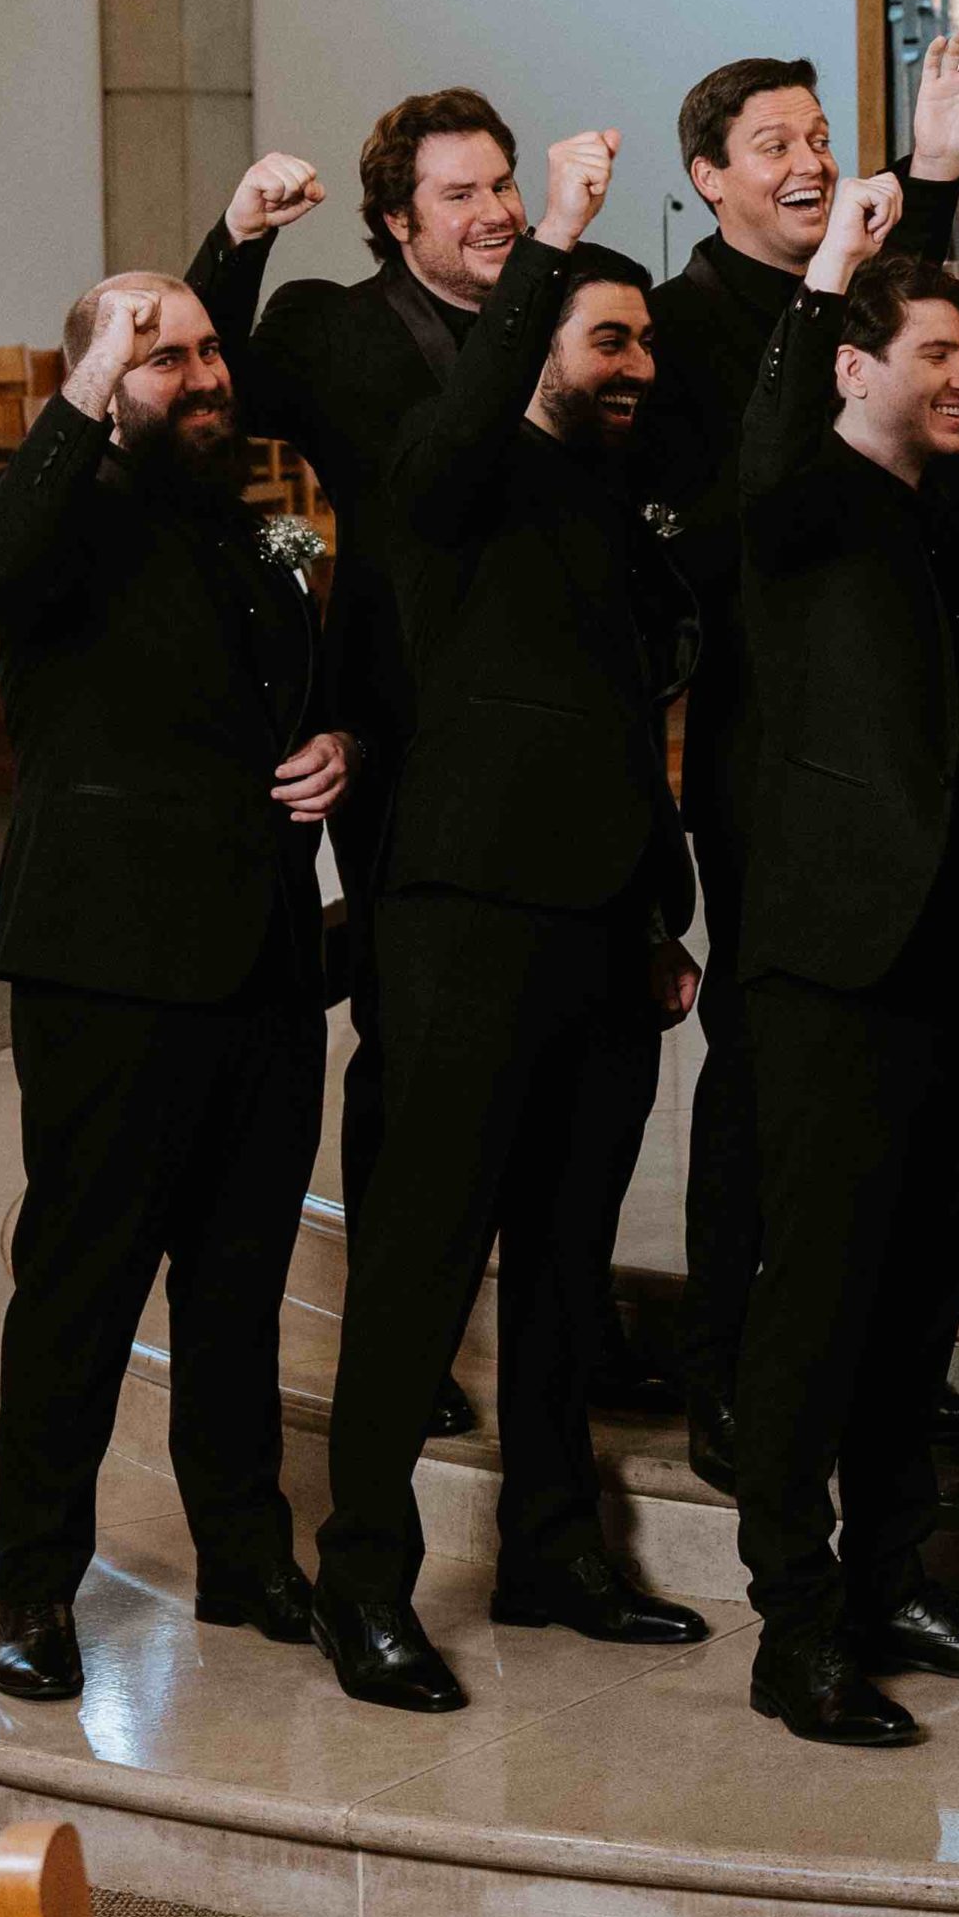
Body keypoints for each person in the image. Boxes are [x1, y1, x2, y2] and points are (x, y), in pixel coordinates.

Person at [310, 127, 713, 1713]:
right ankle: (364, 1580)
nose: (636, 365)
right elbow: (462, 417)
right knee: (420, 1265)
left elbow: (623, 724)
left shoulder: (617, 497)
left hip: (604, 930)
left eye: (645, 342)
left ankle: (552, 1548)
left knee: (565, 1267)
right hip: (464, 921)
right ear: (525, 343)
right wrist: (547, 234)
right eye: (607, 338)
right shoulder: (445, 471)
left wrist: (660, 918)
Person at [0, 230, 358, 1702]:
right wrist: (83, 381)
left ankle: (247, 1554)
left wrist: (340, 742)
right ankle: (33, 1589)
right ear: (98, 380)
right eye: (161, 354)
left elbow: (287, 696)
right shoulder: (58, 521)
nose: (198, 374)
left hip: (260, 957)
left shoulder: (238, 516)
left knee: (240, 1284)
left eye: (205, 350)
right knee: (80, 1288)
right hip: (111, 965)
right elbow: (2, 548)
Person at [642, 36, 959, 1486]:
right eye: (775, 144)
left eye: (819, 136)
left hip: (907, 716)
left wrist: (926, 176)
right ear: (708, 177)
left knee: (906, 1091)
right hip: (773, 732)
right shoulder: (686, 328)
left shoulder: (864, 301)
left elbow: (903, 333)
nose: (809, 162)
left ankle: (870, 1378)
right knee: (770, 1073)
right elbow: (752, 503)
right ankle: (735, 1367)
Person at [723, 212, 959, 1748]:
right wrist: (813, 294)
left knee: (920, 1295)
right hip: (831, 966)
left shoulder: (948, 511)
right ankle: (793, 1626)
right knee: (821, 1300)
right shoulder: (797, 503)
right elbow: (766, 449)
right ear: (851, 364)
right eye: (936, 352)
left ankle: (893, 1579)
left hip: (949, 972)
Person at [198, 88, 552, 1445]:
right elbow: (201, 371)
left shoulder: (561, 310)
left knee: (545, 1043)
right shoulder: (328, 327)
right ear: (397, 220)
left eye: (503, 182)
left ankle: (547, 1319)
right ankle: (408, 1333)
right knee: (417, 1041)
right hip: (405, 720)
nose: (496, 210)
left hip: (551, 723)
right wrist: (237, 237)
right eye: (461, 192)